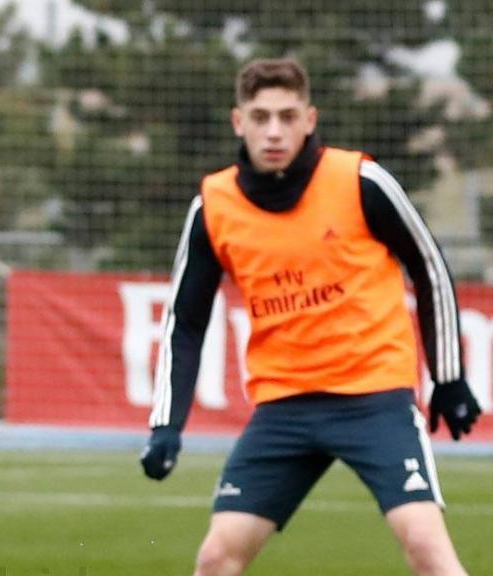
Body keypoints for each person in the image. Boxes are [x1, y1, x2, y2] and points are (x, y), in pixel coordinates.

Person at [139, 58, 481, 576]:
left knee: (427, 548)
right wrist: (167, 424)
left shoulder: (360, 180)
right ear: (239, 122)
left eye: (286, 115)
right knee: (215, 558)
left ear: (309, 119)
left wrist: (448, 378)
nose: (273, 130)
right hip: (284, 407)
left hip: (374, 397)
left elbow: (429, 267)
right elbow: (185, 321)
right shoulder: (214, 206)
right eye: (260, 117)